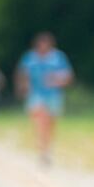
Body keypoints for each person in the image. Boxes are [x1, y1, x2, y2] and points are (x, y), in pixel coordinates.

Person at [15, 32, 73, 164]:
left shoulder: (58, 57)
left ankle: (47, 148)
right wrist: (23, 86)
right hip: (36, 95)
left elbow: (68, 76)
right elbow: (22, 73)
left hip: (53, 95)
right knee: (40, 120)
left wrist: (56, 80)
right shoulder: (30, 57)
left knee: (50, 123)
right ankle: (42, 150)